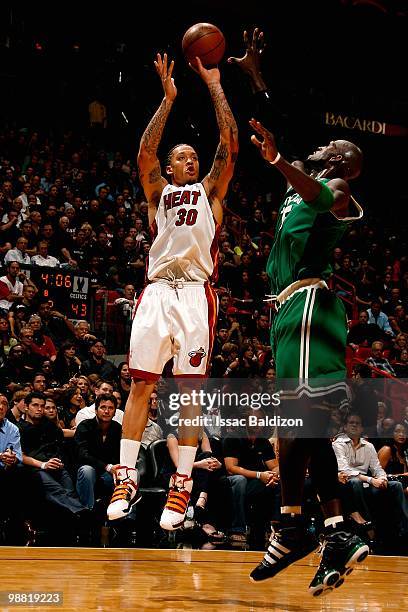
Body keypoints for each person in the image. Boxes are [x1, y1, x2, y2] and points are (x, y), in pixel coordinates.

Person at [229, 29, 368, 595]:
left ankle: (301, 526)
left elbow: (319, 192)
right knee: (297, 427)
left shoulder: (334, 187)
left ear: (340, 162)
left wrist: (284, 160)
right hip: (287, 311)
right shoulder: (299, 182)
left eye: (330, 147)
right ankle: (322, 528)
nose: (323, 145)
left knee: (299, 422)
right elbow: (276, 122)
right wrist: (257, 78)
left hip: (311, 303)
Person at [107, 52, 238, 530]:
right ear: (169, 165)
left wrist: (215, 85)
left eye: (194, 156)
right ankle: (126, 475)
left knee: (187, 393)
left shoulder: (212, 194)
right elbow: (144, 153)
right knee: (142, 383)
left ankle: (182, 485)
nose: (192, 159)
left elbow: (229, 141)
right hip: (158, 291)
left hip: (196, 295)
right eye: (182, 155)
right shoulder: (156, 191)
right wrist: (168, 100)